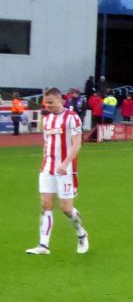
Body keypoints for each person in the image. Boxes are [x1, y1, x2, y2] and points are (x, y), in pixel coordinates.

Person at [26, 88, 88, 255]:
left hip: (66, 169)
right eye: (46, 103)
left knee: (66, 209)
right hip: (47, 167)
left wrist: (65, 163)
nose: (48, 105)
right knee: (45, 204)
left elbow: (77, 144)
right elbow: (47, 143)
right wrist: (45, 161)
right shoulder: (46, 120)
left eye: (51, 102)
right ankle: (43, 245)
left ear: (61, 100)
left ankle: (81, 234)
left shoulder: (72, 118)